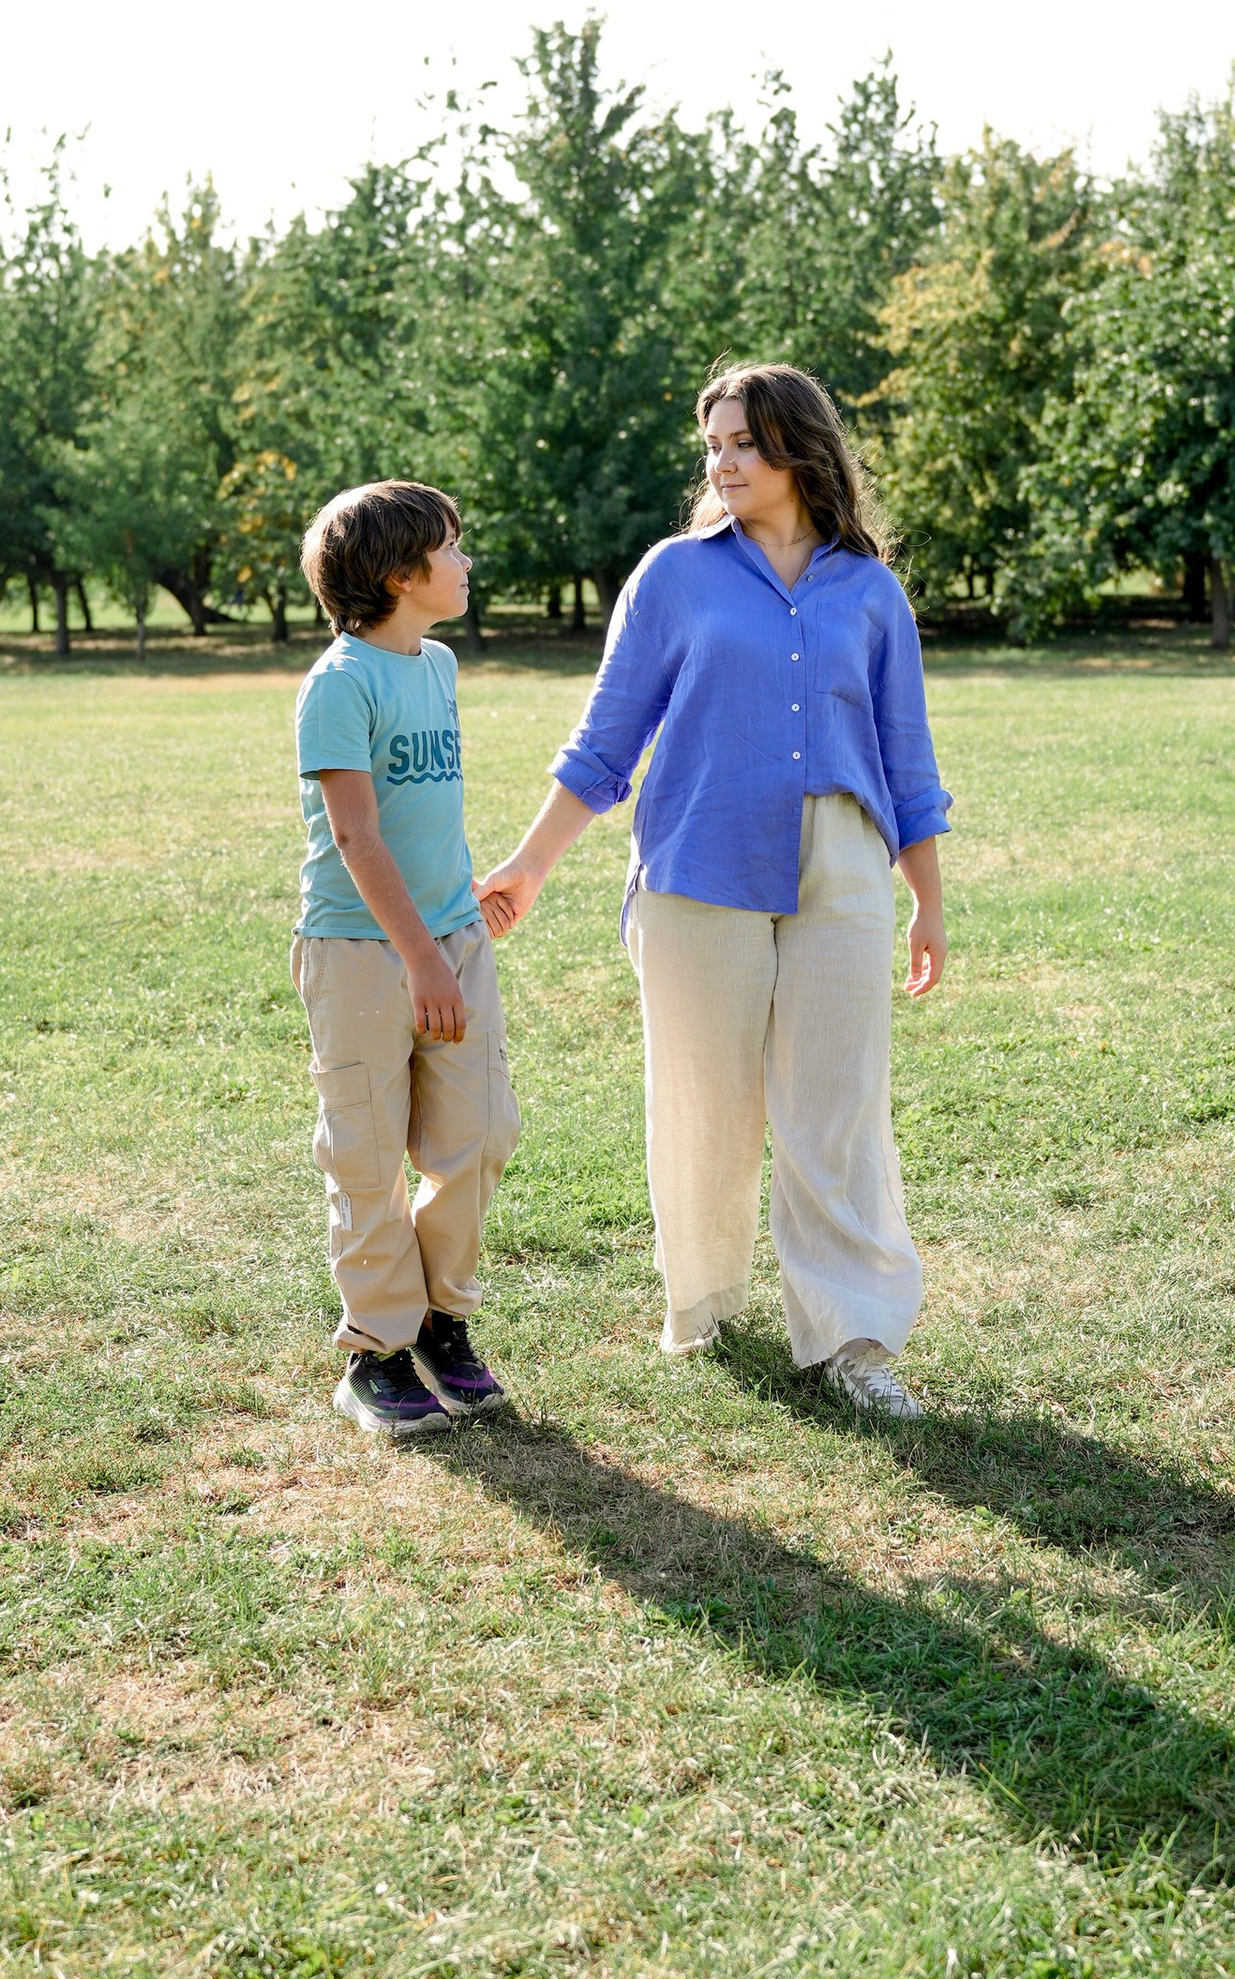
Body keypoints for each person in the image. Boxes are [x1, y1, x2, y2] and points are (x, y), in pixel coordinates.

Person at [477, 365, 950, 1419]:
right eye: (713, 446)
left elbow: (906, 757)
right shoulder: (673, 577)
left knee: (838, 1109)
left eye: (742, 442)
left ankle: (855, 1337)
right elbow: (606, 740)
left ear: (797, 449)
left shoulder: (869, 592)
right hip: (697, 862)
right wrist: (529, 862)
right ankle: (706, 1306)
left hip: (841, 861)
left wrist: (927, 898)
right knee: (706, 1105)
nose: (721, 462)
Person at [292, 481, 517, 1443]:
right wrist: (419, 956)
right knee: (369, 1152)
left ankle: (440, 1319)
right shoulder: (339, 685)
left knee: (481, 1133)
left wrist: (467, 909)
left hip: (451, 940)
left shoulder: (438, 664)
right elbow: (357, 836)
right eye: (453, 548)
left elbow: (431, 820)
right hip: (361, 954)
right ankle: (375, 1354)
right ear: (399, 574)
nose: (467, 563)